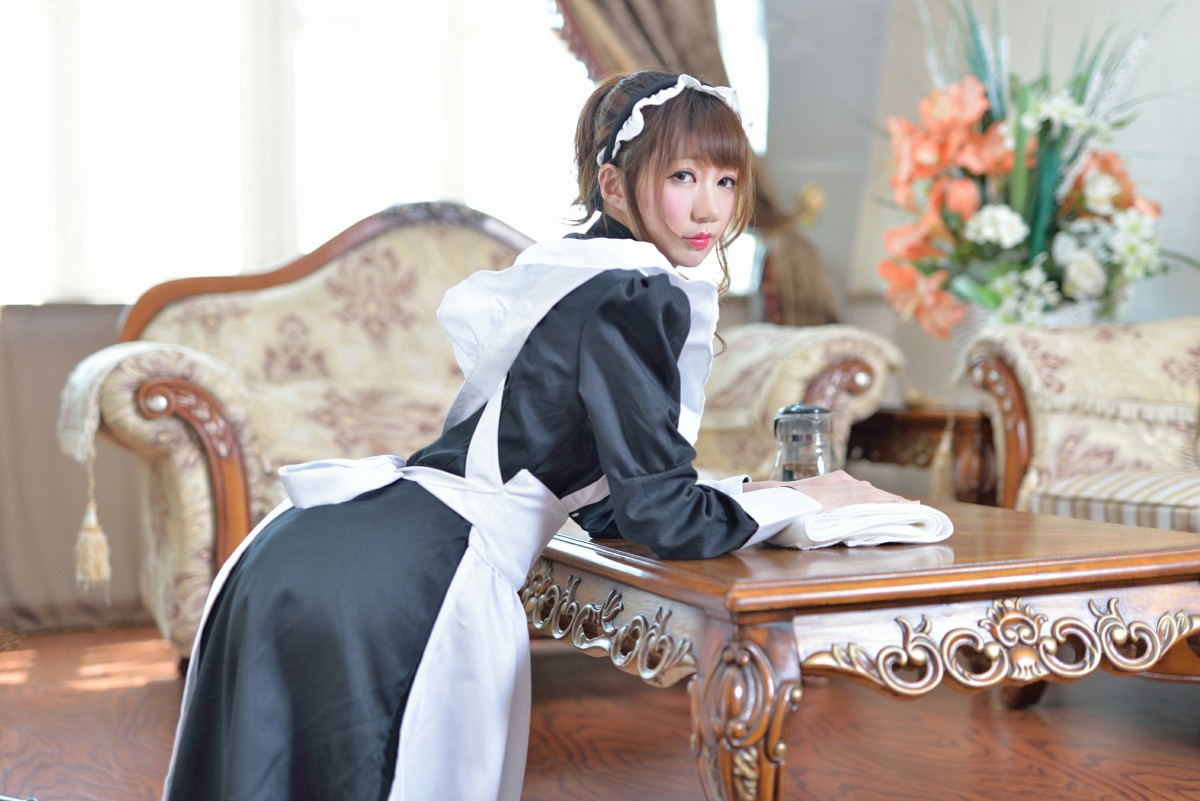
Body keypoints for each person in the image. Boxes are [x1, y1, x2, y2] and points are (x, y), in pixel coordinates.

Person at [161, 69, 912, 801]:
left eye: (725, 180)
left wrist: (757, 496)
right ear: (613, 186)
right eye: (682, 177)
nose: (709, 207)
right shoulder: (633, 295)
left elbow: (610, 503)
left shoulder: (577, 274)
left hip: (319, 542)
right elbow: (660, 514)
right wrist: (803, 499)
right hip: (408, 574)